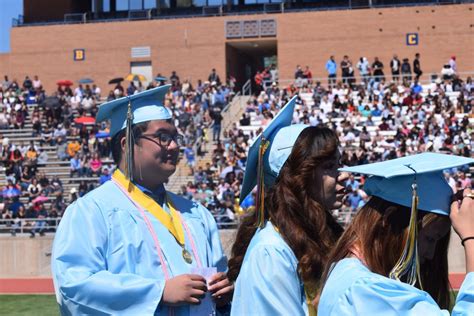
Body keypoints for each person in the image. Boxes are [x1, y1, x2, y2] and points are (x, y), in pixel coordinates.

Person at [51, 85, 233, 315]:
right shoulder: (91, 211)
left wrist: (223, 296)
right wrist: (158, 293)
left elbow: (218, 281)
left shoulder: (197, 214)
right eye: (162, 137)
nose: (174, 146)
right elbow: (73, 286)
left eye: (175, 137)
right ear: (127, 144)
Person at [229, 97, 346, 315]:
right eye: (330, 167)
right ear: (299, 178)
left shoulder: (314, 235)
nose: (344, 175)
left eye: (339, 164)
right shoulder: (270, 253)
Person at [318, 153, 474, 315]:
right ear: (389, 220)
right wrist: (471, 239)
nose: (430, 253)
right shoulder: (367, 291)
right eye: (429, 239)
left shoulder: (347, 273)